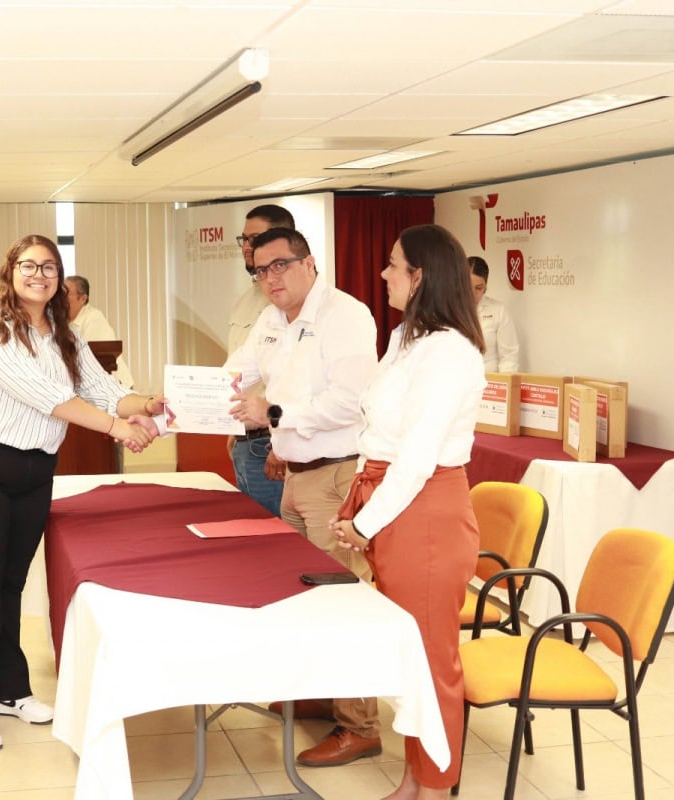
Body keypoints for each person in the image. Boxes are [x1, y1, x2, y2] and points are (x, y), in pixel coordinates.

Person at [0, 234, 164, 752]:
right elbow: (50, 397)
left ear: (59, 279)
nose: (39, 274)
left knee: (11, 584)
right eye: (29, 265)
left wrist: (147, 405)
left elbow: (102, 390)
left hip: (33, 471)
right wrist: (117, 429)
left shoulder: (65, 333)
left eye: (49, 267)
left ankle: (9, 690)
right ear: (10, 271)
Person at [331, 224, 486, 800]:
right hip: (396, 501)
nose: (384, 273)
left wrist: (364, 523)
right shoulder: (406, 338)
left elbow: (417, 459)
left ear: (420, 276)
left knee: (430, 662)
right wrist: (360, 507)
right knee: (408, 659)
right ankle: (414, 778)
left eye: (394, 265)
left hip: (425, 513)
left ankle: (436, 788)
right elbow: (377, 432)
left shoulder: (448, 353)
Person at [224, 227, 384, 767]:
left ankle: (360, 726)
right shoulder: (271, 319)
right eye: (259, 270)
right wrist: (176, 401)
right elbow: (237, 373)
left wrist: (273, 415)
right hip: (294, 475)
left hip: (337, 476)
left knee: (342, 600)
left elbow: (349, 402)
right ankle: (322, 691)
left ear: (309, 263)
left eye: (279, 265)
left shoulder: (346, 315)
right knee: (299, 594)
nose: (269, 278)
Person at [226, 204, 296, 515]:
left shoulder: (289, 304)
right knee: (254, 532)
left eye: (254, 238)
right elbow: (239, 370)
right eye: (244, 238)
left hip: (269, 441)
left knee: (277, 535)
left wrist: (279, 445)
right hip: (246, 439)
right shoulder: (250, 300)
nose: (246, 246)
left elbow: (293, 381)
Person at [64, 275, 136, 388]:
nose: (61, 298)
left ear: (83, 298)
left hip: (116, 388)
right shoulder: (63, 322)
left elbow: (90, 358)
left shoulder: (94, 318)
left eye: (66, 294)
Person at [468, 256, 519, 372]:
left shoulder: (499, 311)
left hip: (490, 380)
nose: (472, 293)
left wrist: (503, 382)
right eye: (468, 287)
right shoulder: (448, 310)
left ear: (485, 286)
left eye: (478, 288)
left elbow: (509, 357)